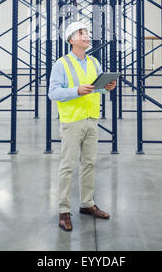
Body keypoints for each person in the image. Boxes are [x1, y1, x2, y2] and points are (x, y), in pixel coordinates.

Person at [48, 21, 116, 232]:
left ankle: (87, 204)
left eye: (86, 32)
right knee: (67, 166)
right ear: (71, 40)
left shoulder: (95, 63)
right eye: (81, 33)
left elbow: (97, 90)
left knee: (89, 164)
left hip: (91, 119)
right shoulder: (62, 64)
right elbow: (53, 93)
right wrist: (76, 90)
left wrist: (107, 88)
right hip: (72, 121)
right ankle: (63, 211)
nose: (86, 36)